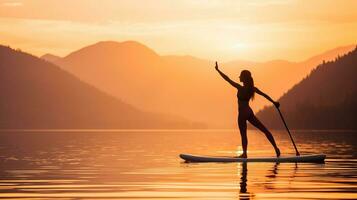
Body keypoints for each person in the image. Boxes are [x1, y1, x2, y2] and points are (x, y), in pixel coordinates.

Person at [215, 62, 280, 158]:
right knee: (264, 130)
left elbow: (227, 79)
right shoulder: (252, 89)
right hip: (249, 112)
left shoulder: (240, 88)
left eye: (240, 76)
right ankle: (276, 149)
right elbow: (265, 95)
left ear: (244, 78)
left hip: (242, 114)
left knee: (243, 135)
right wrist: (274, 102)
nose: (239, 77)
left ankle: (244, 154)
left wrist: (218, 70)